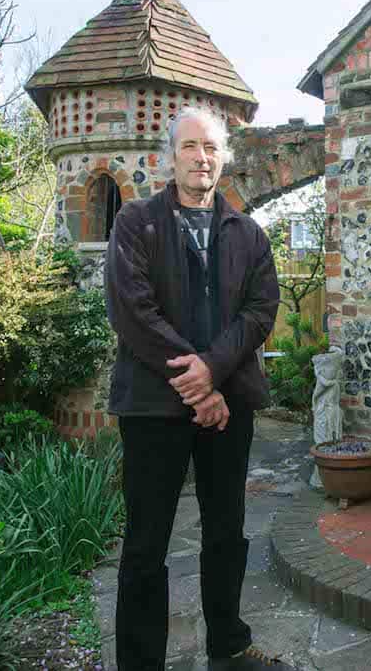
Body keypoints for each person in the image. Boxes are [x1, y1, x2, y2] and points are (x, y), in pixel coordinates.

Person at [104, 106, 292, 670]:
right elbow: (132, 311)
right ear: (171, 156)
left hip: (229, 405)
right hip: (152, 407)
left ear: (223, 158)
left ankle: (228, 647)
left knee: (226, 532)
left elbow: (260, 311)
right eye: (190, 146)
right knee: (146, 544)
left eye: (211, 148)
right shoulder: (136, 222)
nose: (201, 158)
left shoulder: (248, 234)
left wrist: (213, 369)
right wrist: (200, 384)